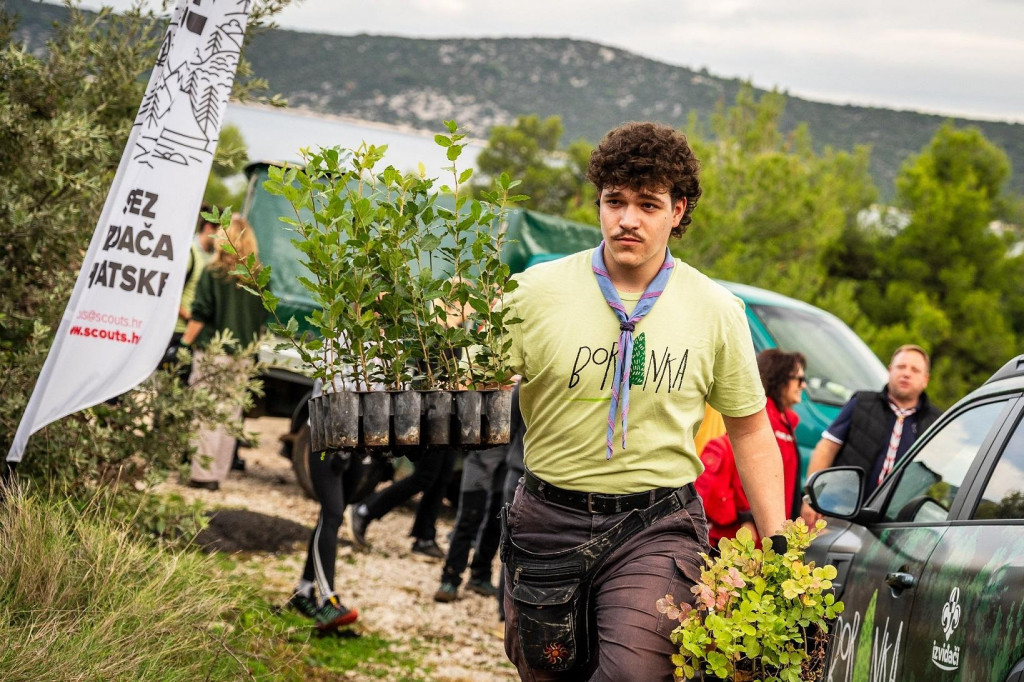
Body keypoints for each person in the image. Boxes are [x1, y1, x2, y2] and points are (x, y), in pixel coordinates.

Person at [499, 121, 786, 680]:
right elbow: (474, 387)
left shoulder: (718, 311)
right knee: (546, 671)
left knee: (634, 673)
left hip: (654, 526)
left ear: (678, 211)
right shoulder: (533, 292)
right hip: (546, 520)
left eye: (648, 204)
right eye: (615, 201)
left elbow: (750, 429)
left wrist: (778, 547)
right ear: (600, 203)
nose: (627, 219)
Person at [801, 344, 941, 523]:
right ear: (890, 370)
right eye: (901, 367)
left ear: (925, 379)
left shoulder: (934, 422)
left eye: (915, 370)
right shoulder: (862, 402)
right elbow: (826, 448)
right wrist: (812, 500)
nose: (906, 373)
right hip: (839, 512)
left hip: (894, 525)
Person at [180, 214, 267, 491]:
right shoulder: (258, 279)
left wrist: (184, 345)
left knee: (207, 412)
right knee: (230, 414)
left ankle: (201, 474)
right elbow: (263, 319)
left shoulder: (214, 272)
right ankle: (217, 473)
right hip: (244, 356)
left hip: (213, 351)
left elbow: (200, 314)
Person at [697, 350, 806, 547]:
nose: (803, 385)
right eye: (799, 379)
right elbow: (750, 468)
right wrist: (747, 516)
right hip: (753, 534)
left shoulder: (784, 425)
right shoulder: (763, 424)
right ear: (781, 379)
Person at [286, 380, 360, 631]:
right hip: (328, 434)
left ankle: (303, 590)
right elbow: (335, 385)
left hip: (364, 440)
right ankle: (328, 600)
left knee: (331, 518)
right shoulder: (337, 340)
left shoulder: (390, 343)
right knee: (332, 513)